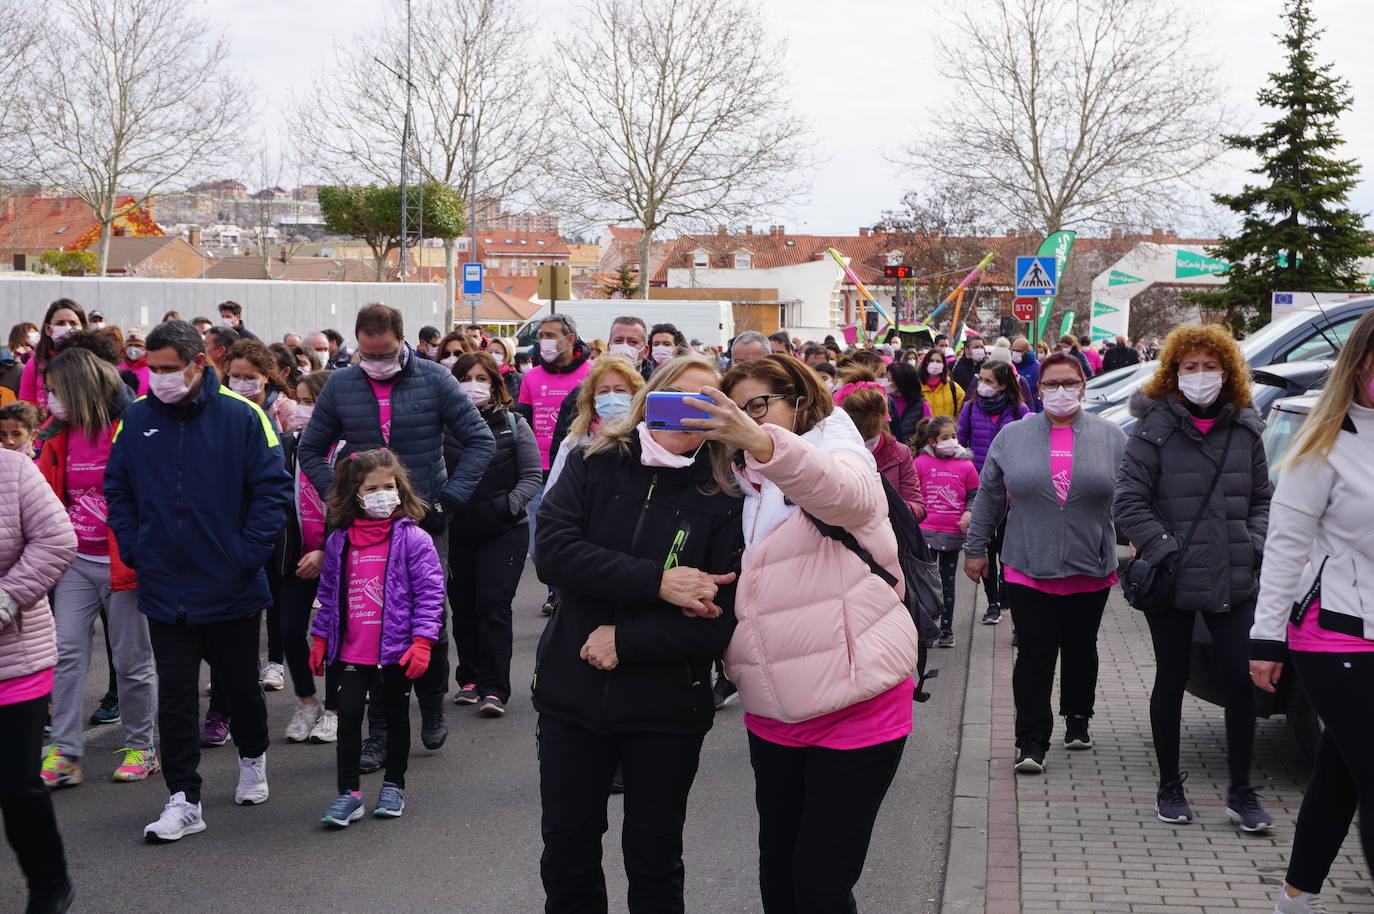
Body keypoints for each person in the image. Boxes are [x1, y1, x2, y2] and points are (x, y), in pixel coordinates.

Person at [683, 353, 918, 914]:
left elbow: (847, 496)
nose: (748, 420)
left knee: (820, 884)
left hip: (857, 704)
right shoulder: (739, 480)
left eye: (760, 405)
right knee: (779, 874)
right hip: (775, 709)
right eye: (736, 410)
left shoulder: (840, 450)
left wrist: (764, 443)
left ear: (801, 401)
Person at [533, 355, 744, 914]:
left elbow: (718, 616)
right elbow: (553, 553)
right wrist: (659, 584)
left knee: (654, 859)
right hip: (571, 693)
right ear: (652, 397)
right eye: (681, 395)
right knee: (567, 854)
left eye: (709, 401)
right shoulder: (594, 461)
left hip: (666, 703)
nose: (691, 410)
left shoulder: (725, 495)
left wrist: (625, 639)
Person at [104, 320, 292, 842]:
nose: (159, 378)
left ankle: (252, 758)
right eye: (153, 369)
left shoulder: (245, 416)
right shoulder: (135, 418)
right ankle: (184, 798)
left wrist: (245, 554)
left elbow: (273, 491)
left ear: (198, 364)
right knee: (178, 695)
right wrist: (138, 547)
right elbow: (117, 489)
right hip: (164, 585)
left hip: (229, 584)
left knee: (239, 687)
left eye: (169, 369)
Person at [298, 303, 495, 760]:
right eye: (367, 353)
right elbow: (311, 450)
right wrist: (345, 498)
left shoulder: (434, 378)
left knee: (428, 616)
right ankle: (381, 728)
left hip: (425, 519)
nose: (376, 362)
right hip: (364, 526)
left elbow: (480, 441)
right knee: (370, 621)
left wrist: (450, 500)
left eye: (384, 353)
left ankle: (431, 706)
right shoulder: (343, 384)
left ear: (402, 342)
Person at [1113, 324, 1273, 830]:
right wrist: (1165, 550)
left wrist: (1253, 545)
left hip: (1233, 577)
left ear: (1226, 373)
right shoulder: (1152, 430)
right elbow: (1128, 502)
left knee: (1240, 682)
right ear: (1173, 372)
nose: (1200, 376)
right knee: (1171, 679)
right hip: (1173, 579)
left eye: (1210, 366)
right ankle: (1169, 786)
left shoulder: (1245, 431)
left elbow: (1261, 500)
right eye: (1190, 367)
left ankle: (1242, 792)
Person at [1248, 310, 1374, 914]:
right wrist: (1266, 638)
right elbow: (1286, 547)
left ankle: (1296, 897)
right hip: (1335, 635)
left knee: (1341, 773)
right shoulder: (1322, 442)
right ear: (1361, 363)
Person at [965, 352, 1125, 774]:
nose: (1060, 391)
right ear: (1038, 390)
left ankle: (1078, 717)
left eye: (1069, 383)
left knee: (1079, 647)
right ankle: (1031, 740)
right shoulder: (1013, 437)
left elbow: (1130, 499)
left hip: (1090, 564)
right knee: (1035, 652)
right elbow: (990, 497)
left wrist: (1143, 543)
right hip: (1026, 562)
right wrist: (976, 548)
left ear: (1083, 386)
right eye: (1051, 384)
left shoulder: (1111, 437)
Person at [36, 349, 160, 789]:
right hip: (75, 562)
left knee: (131, 660)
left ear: (79, 387)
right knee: (66, 653)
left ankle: (141, 748)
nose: (49, 399)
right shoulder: (57, 434)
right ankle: (65, 753)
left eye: (55, 390)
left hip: (124, 563)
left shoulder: (131, 425)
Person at [308, 449, 444, 826]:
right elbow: (329, 593)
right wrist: (320, 639)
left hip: (396, 652)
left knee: (396, 718)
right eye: (373, 488)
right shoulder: (340, 542)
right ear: (356, 493)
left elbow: (431, 596)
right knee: (349, 718)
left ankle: (393, 784)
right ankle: (348, 793)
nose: (383, 494)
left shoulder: (414, 539)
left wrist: (422, 642)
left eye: (389, 486)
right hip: (352, 652)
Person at [0, 447, 78, 914]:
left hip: (14, 659)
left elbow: (55, 539)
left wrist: (7, 598)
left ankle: (50, 885)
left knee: (14, 784)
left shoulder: (12, 468)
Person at [445, 351, 541, 715]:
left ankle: (495, 687)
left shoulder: (514, 424)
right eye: (466, 378)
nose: (474, 385)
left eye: (482, 378)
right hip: (457, 529)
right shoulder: (442, 426)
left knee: (493, 605)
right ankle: (469, 677)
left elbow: (531, 475)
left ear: (495, 385)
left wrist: (509, 505)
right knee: (464, 606)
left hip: (504, 530)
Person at [275, 370, 339, 745]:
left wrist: (325, 549)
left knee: (336, 634)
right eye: (299, 400)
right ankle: (306, 701)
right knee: (288, 629)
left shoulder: (347, 449)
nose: (304, 409)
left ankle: (334, 708)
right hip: (294, 557)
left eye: (312, 400)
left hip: (337, 557)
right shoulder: (288, 445)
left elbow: (352, 508)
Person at [957, 359, 1030, 624]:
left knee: (1007, 546)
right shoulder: (971, 407)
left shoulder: (1018, 409)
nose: (983, 385)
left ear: (1002, 385)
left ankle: (1008, 592)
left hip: (1012, 491)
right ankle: (993, 603)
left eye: (989, 381)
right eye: (981, 379)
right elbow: (960, 442)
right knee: (985, 545)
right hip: (981, 489)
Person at [913, 415, 979, 649]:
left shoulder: (966, 466)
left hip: (952, 533)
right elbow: (913, 493)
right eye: (945, 437)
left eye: (954, 436)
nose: (951, 441)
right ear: (932, 441)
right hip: (926, 533)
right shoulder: (921, 463)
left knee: (948, 582)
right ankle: (928, 627)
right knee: (927, 582)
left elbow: (974, 495)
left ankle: (947, 630)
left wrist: (968, 514)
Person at [546, 354, 646, 495]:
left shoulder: (647, 440)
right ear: (593, 399)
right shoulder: (575, 441)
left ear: (635, 395)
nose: (612, 397)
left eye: (620, 390)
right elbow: (553, 495)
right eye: (604, 391)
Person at [837, 374, 925, 521]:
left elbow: (918, 509)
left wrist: (882, 506)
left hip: (890, 538)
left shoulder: (899, 453)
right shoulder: (833, 451)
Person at [20, 299, 87, 413]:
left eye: (73, 323)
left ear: (83, 327)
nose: (67, 328)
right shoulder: (34, 364)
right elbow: (26, 408)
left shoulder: (94, 361)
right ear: (48, 329)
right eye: (60, 323)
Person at [226, 338, 296, 436]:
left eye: (250, 377)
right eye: (235, 376)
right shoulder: (221, 406)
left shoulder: (285, 409)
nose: (241, 383)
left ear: (265, 377)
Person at [884, 360, 930, 442]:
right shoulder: (884, 400)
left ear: (900, 382)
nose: (885, 384)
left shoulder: (921, 405)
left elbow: (927, 434)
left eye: (889, 381)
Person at [919, 347, 964, 420]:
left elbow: (962, 415)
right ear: (926, 364)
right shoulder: (917, 388)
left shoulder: (954, 388)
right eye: (931, 361)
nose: (934, 364)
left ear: (943, 365)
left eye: (938, 361)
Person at [486, 336, 522, 403]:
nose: (493, 355)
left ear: (507, 356)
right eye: (490, 352)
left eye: (498, 352)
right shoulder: (482, 376)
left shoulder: (518, 378)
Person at [119, 327, 150, 397]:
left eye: (138, 345)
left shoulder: (152, 369)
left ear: (146, 349)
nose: (133, 349)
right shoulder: (119, 367)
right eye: (130, 345)